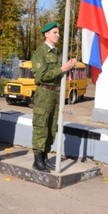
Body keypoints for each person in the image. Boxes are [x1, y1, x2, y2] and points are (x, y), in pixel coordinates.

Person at [31, 22, 76, 173]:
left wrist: (70, 66)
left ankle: (44, 158)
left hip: (56, 93)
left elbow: (61, 74)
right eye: (55, 32)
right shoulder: (40, 53)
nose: (58, 35)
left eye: (58, 32)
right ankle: (37, 160)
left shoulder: (58, 53)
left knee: (51, 127)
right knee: (41, 126)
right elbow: (41, 76)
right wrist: (62, 68)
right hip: (44, 93)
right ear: (46, 34)